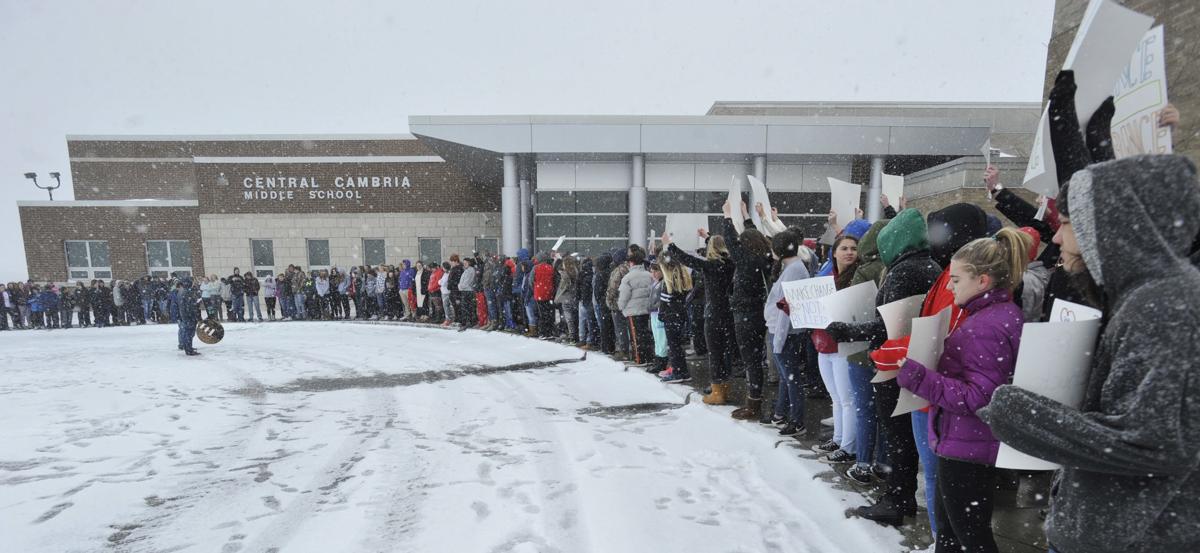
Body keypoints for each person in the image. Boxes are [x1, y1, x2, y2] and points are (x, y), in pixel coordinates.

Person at [980, 155, 1200, 553]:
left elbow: (1156, 443)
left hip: (1133, 537)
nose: (1058, 238)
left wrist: (1018, 413)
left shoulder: (1166, 306)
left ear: (1112, 225)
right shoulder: (1145, 298)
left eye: (1066, 223)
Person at [896, 227, 1031, 553]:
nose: (950, 286)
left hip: (965, 447)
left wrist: (916, 375)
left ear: (983, 281)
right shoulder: (999, 314)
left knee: (965, 537)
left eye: (956, 280)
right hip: (970, 443)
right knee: (958, 534)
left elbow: (978, 397)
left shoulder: (984, 326)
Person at [826, 208, 942, 526]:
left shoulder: (904, 271)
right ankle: (900, 494)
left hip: (895, 364)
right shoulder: (930, 266)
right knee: (903, 437)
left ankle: (897, 497)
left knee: (897, 437)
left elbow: (886, 325)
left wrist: (850, 331)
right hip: (914, 360)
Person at [669, 227, 736, 405]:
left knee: (714, 353)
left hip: (714, 313)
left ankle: (717, 391)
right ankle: (725, 386)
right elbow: (718, 250)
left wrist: (671, 246)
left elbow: (688, 260)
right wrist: (708, 238)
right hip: (728, 312)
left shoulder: (710, 267)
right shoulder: (731, 264)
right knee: (726, 351)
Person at [722, 199, 775, 421]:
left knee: (750, 361)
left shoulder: (745, 259)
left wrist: (727, 216)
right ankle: (754, 400)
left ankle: (753, 404)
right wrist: (745, 216)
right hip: (760, 312)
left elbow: (732, 242)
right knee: (755, 360)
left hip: (745, 315)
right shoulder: (764, 257)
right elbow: (750, 237)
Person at [811, 234, 861, 464]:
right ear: (835, 252)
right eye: (844, 248)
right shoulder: (826, 277)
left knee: (847, 398)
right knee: (836, 397)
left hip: (844, 345)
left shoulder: (856, 278)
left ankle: (849, 447)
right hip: (823, 343)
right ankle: (839, 439)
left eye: (853, 248)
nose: (849, 252)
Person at [762, 229, 812, 435]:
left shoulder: (793, 271)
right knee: (786, 376)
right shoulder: (793, 267)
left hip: (786, 333)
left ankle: (796, 420)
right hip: (785, 331)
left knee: (791, 378)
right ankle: (780, 413)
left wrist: (779, 339)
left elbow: (785, 310)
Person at [617, 246, 654, 366]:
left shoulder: (628, 278)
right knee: (645, 334)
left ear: (631, 262)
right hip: (646, 310)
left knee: (635, 336)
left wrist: (620, 306)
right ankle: (649, 356)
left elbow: (624, 296)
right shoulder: (649, 275)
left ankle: (639, 358)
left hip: (633, 311)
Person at [605, 248, 631, 359]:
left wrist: (609, 300)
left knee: (620, 328)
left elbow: (613, 287)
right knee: (627, 328)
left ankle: (623, 350)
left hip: (617, 303)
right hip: (627, 302)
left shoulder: (619, 270)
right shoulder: (629, 268)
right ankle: (628, 349)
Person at [554, 255, 580, 344]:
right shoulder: (576, 272)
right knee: (574, 317)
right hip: (574, 298)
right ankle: (575, 336)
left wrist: (556, 299)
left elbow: (562, 288)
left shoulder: (565, 274)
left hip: (566, 298)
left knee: (569, 319)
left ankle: (572, 336)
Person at [176, 276, 201, 356]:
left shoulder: (181, 291)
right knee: (189, 333)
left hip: (184, 315)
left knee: (186, 332)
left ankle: (188, 347)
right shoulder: (187, 292)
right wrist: (195, 315)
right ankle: (189, 349)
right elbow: (190, 306)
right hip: (189, 315)